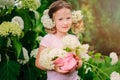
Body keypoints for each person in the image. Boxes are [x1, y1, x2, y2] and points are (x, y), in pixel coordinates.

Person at [35, 0, 83, 80]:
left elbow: (80, 60)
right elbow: (38, 63)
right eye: (60, 19)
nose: (65, 23)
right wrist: (54, 67)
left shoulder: (73, 39)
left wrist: (77, 64)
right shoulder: (48, 39)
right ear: (53, 21)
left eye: (68, 18)